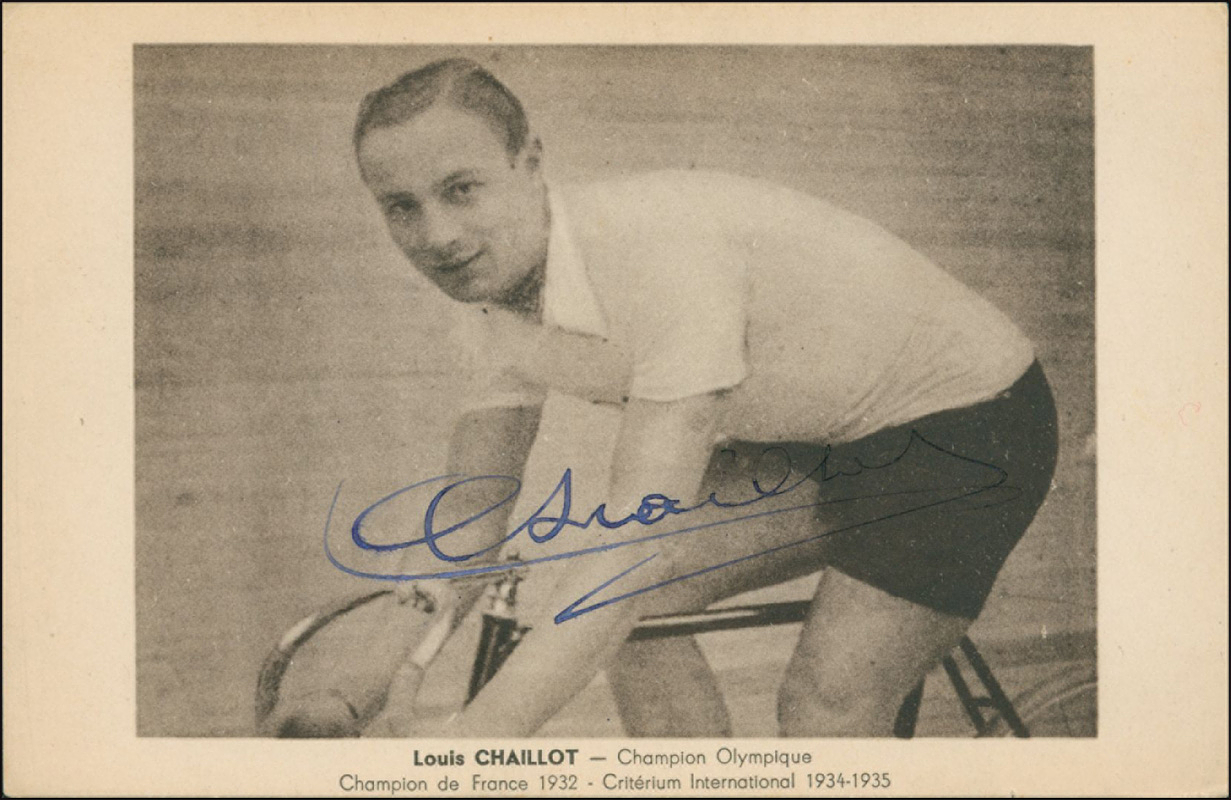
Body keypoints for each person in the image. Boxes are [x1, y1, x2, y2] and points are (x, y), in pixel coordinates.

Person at [324, 57, 1058, 739]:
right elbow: (470, 509)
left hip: (969, 423)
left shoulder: (656, 251)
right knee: (629, 615)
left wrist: (477, 741)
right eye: (401, 206)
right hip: (826, 436)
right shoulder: (486, 301)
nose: (439, 236)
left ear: (532, 163)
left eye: (461, 190)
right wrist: (346, 695)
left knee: (821, 709)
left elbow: (636, 545)